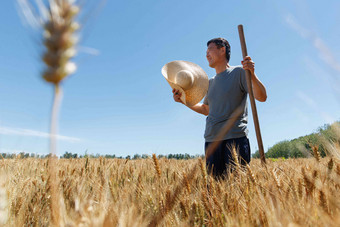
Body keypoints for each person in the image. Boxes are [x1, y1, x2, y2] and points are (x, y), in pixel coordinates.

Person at [172, 38, 267, 178]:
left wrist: (252, 74)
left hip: (235, 139)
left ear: (222, 50)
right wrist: (184, 101)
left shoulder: (240, 72)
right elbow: (206, 109)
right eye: (206, 52)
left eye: (210, 50)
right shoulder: (209, 83)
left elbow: (261, 97)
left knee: (237, 189)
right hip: (212, 140)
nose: (206, 55)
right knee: (214, 191)